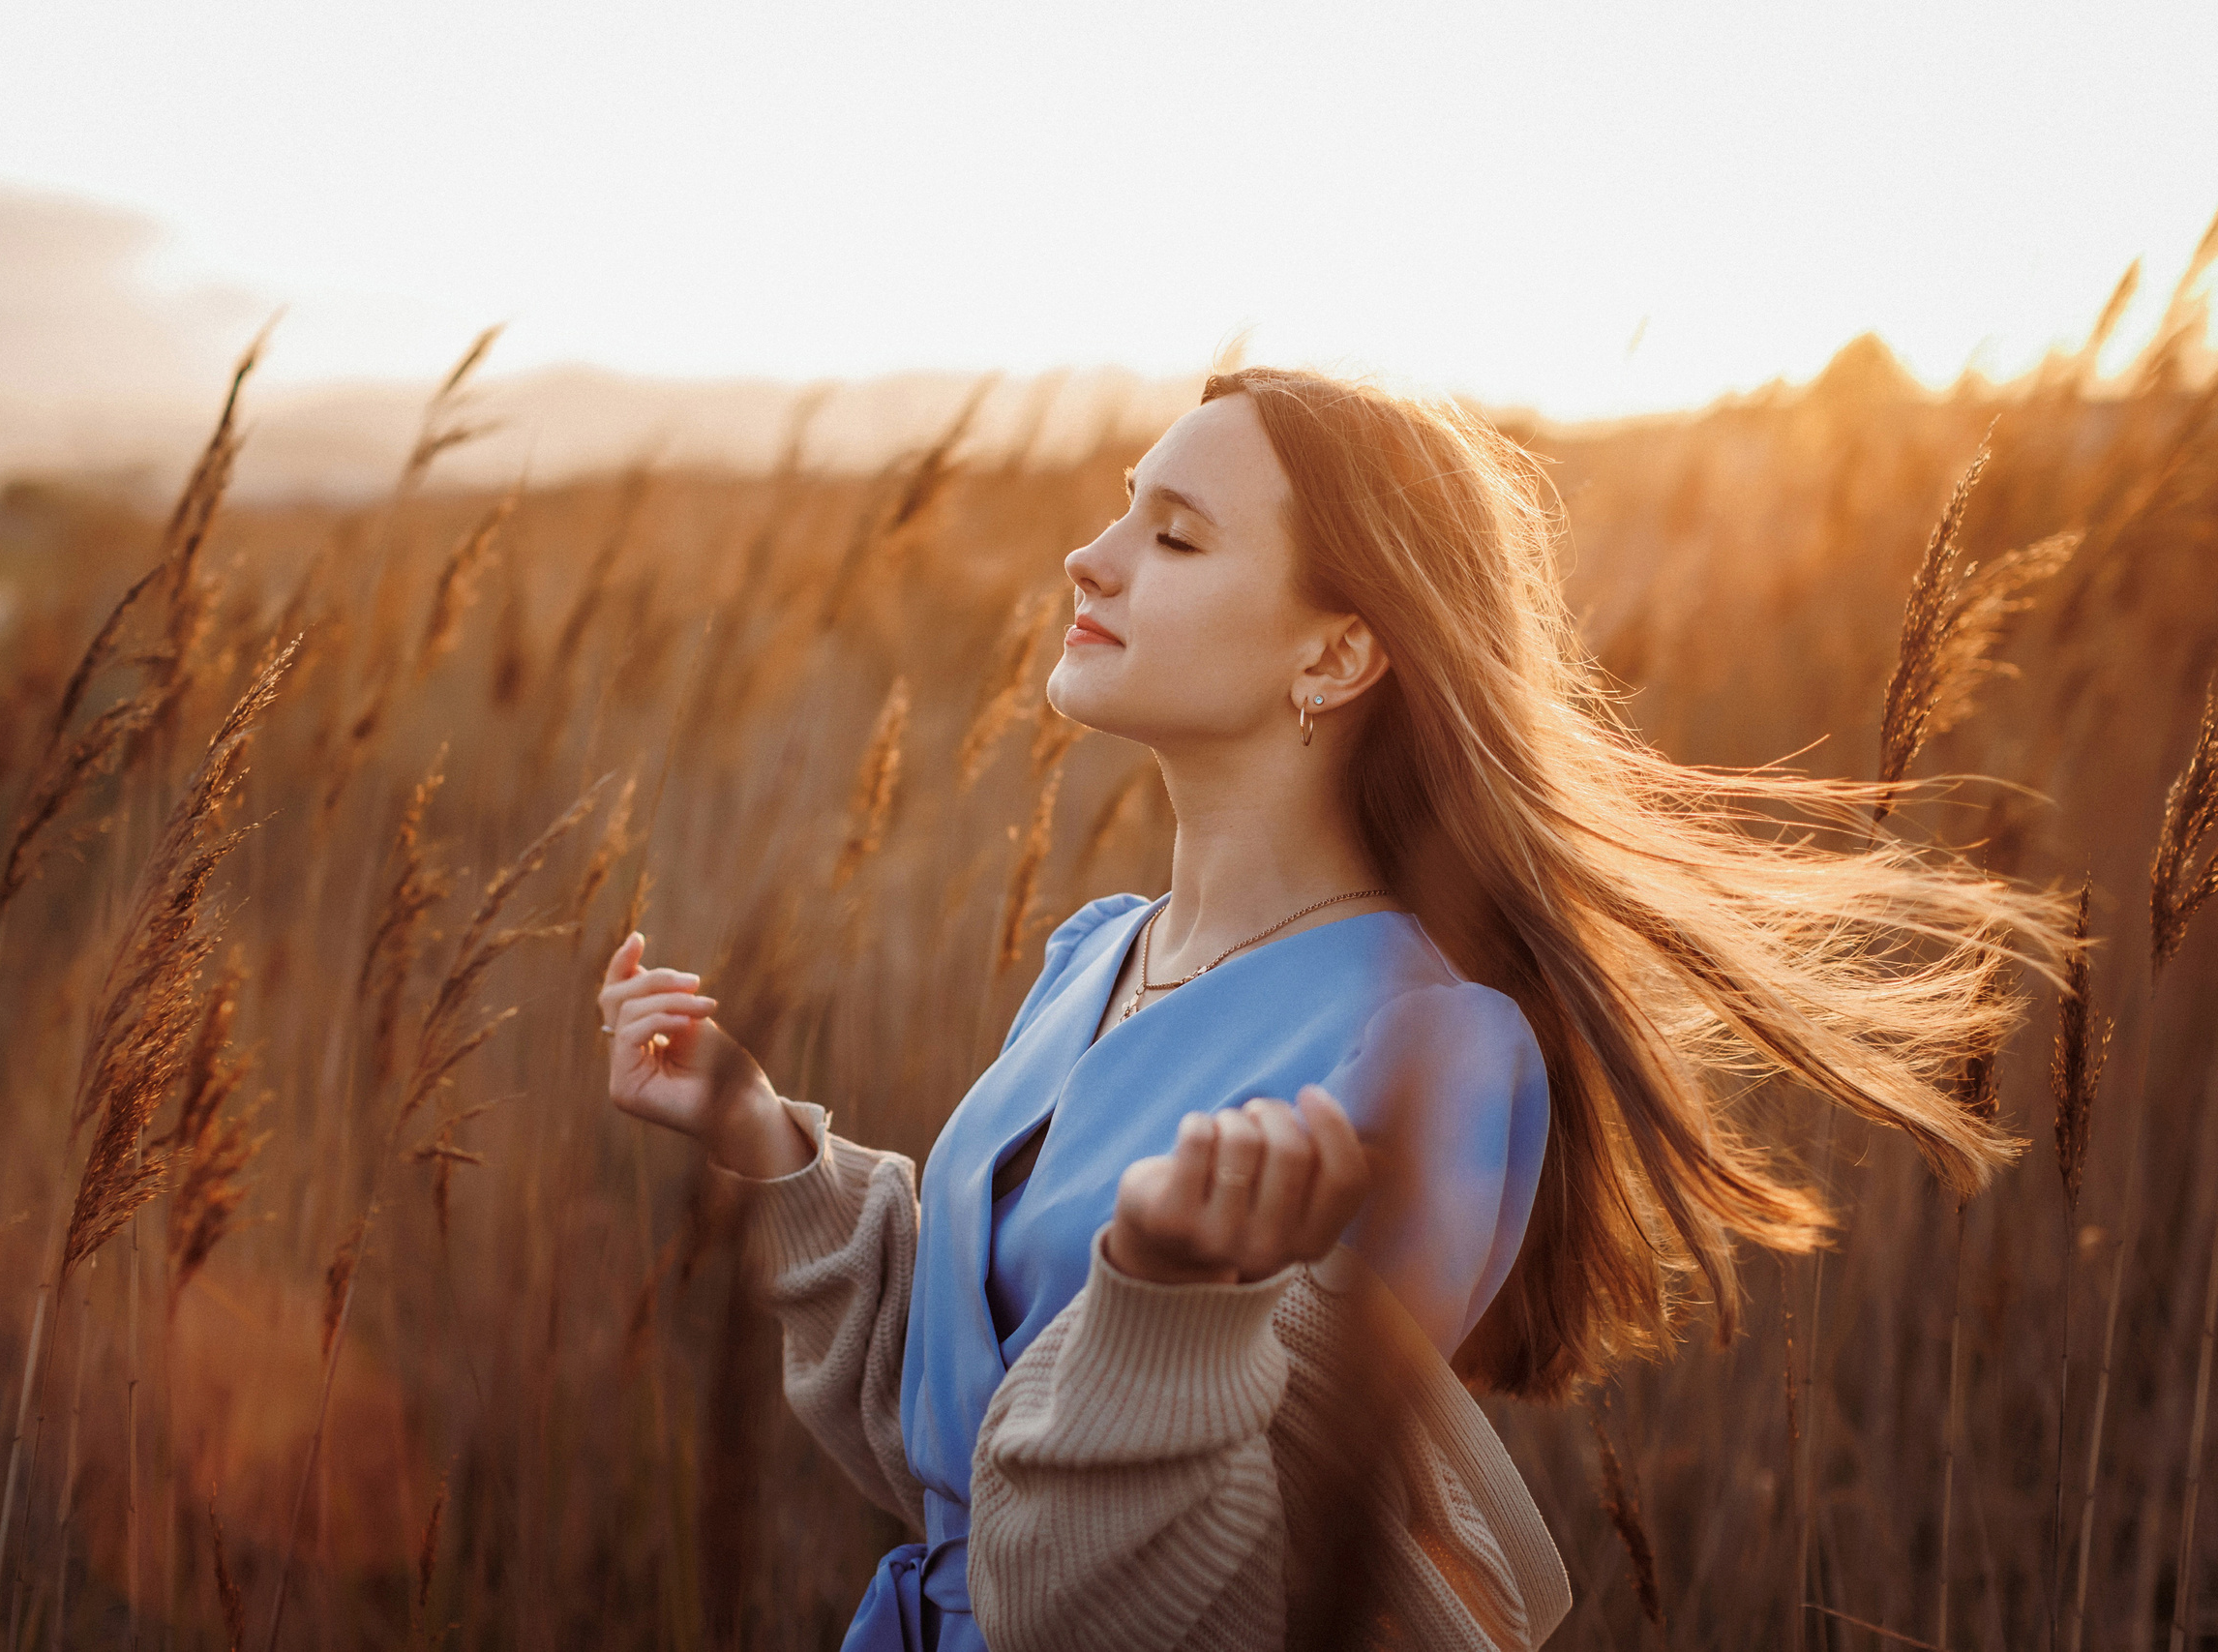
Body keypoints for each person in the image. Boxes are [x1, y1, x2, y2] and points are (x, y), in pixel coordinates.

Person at [594, 368, 2066, 1651]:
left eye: (1172, 535)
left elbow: (1193, 1604)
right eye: (1121, 509)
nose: (1088, 558)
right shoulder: (1097, 954)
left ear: (1338, 653)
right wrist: (771, 1148)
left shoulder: (1435, 1060)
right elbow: (966, 1445)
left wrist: (1170, 1313)